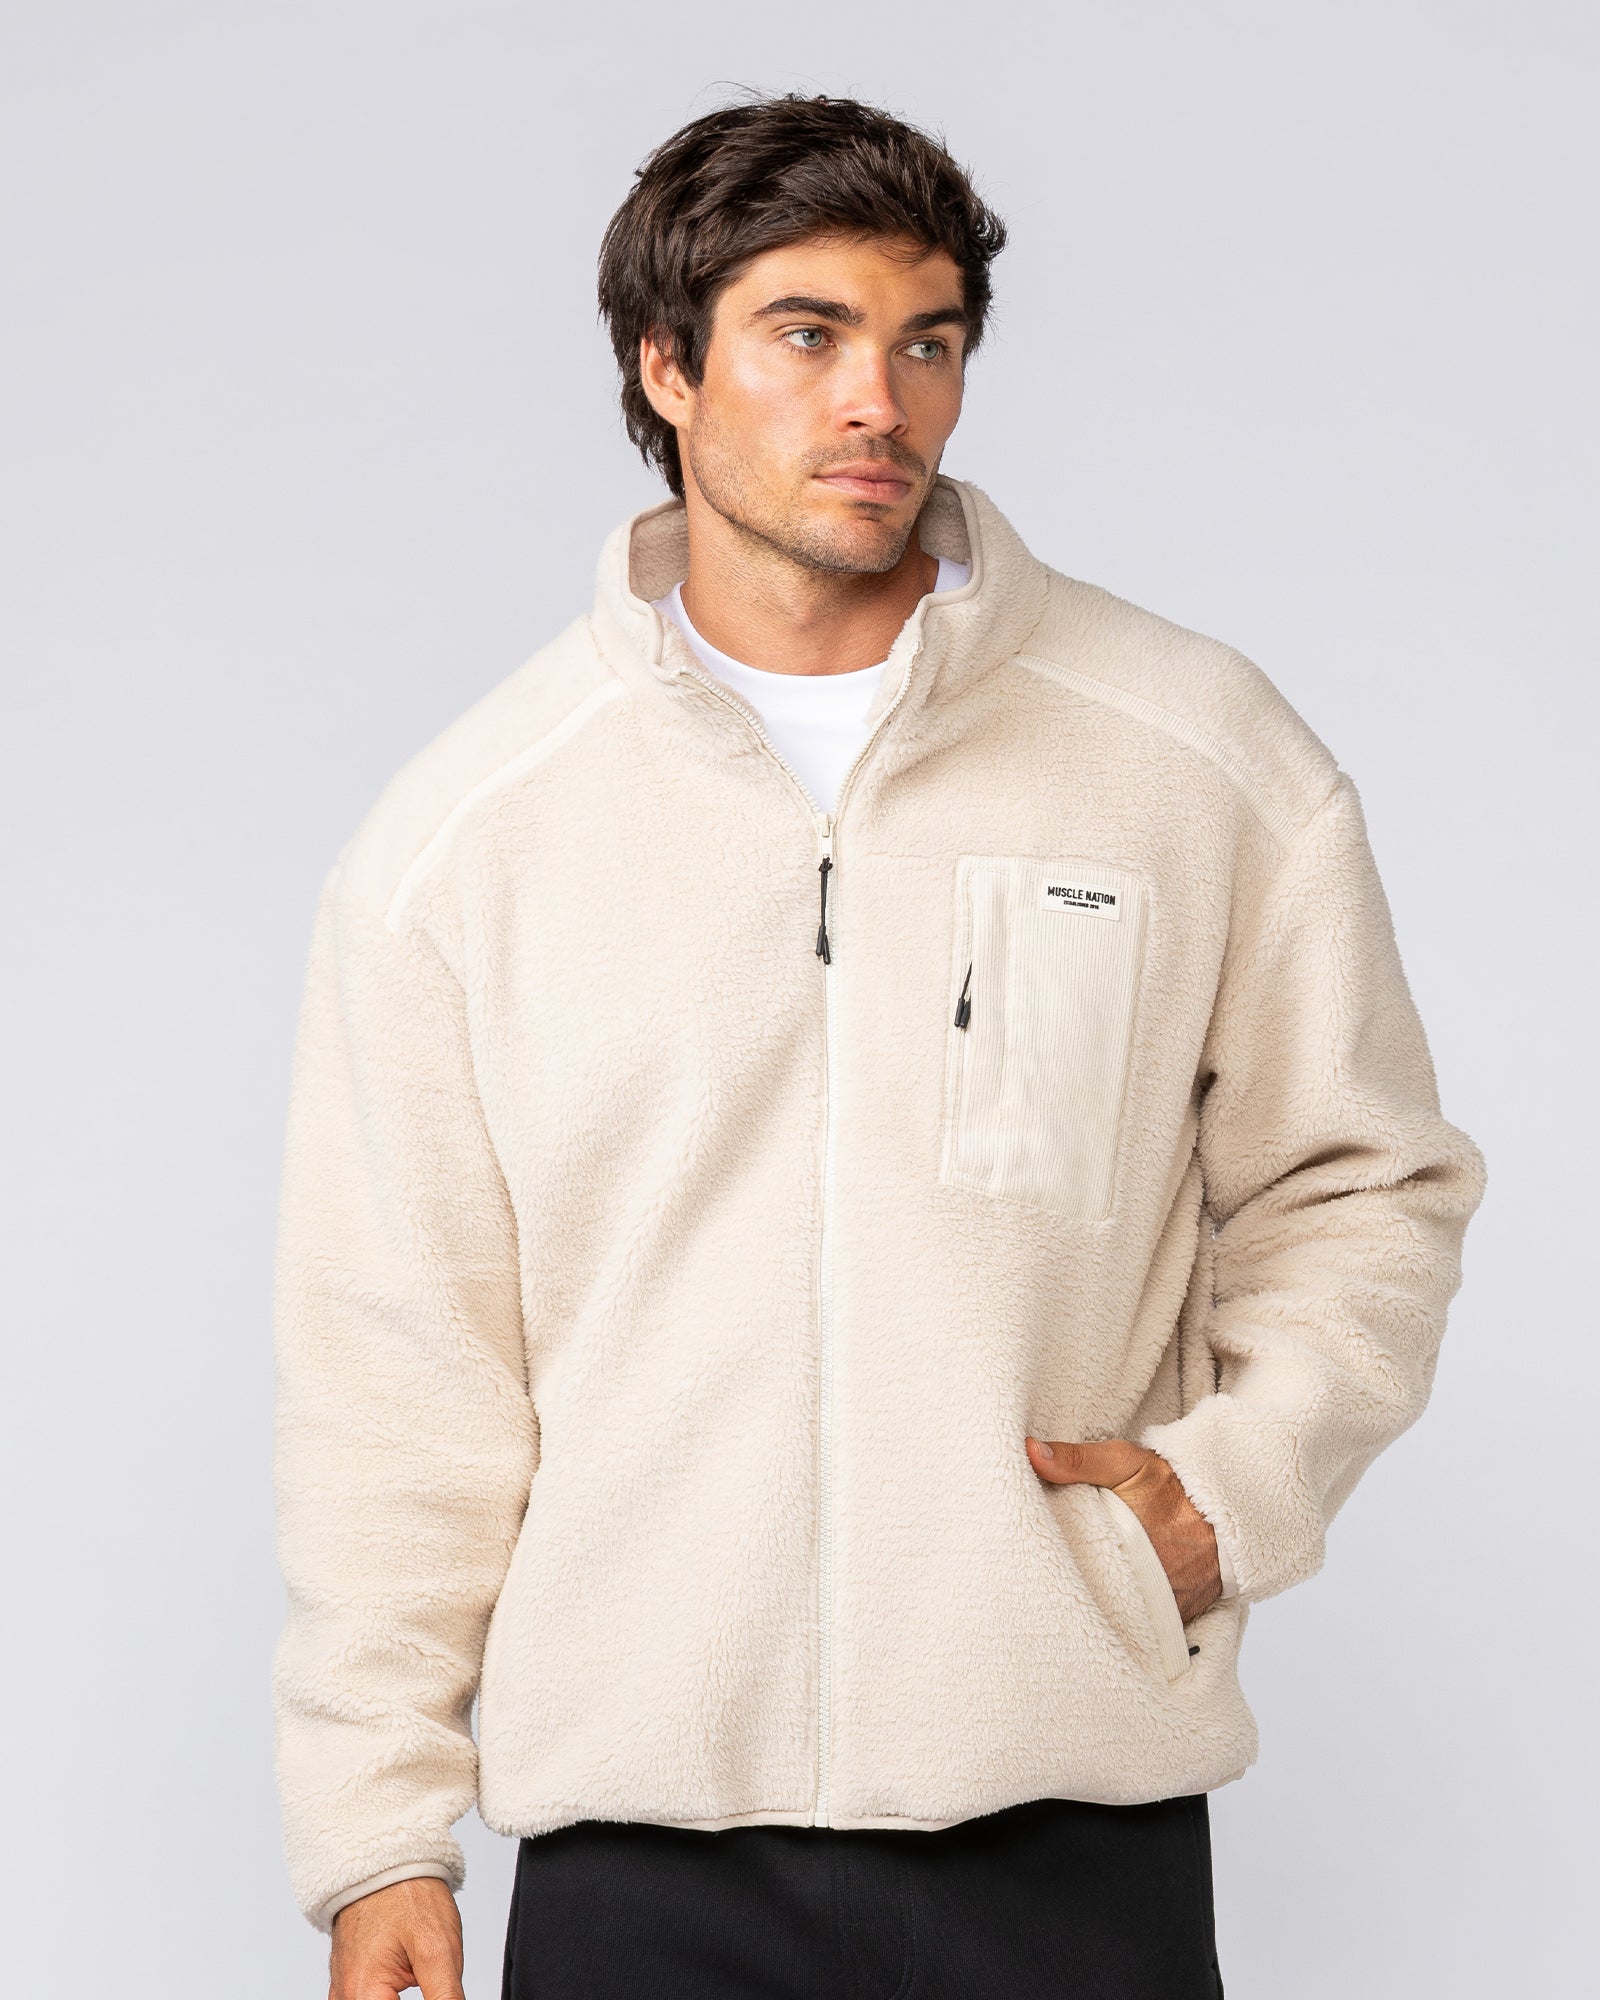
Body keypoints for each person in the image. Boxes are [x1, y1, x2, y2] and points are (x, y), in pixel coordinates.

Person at [271, 94, 1485, 2000]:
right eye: (809, 335)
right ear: (666, 369)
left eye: (928, 344)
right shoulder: (473, 839)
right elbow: (396, 1362)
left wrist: (1227, 1495)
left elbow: (1366, 1181)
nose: (881, 404)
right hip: (637, 1851)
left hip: (1067, 1821)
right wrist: (377, 1832)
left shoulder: (1192, 758)